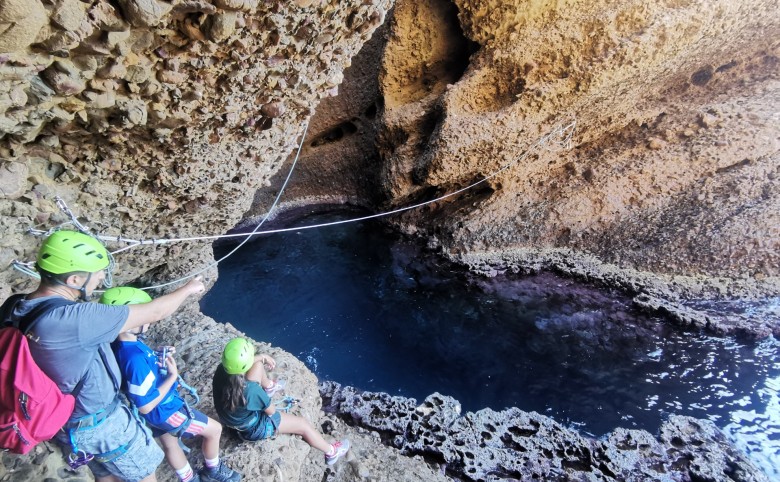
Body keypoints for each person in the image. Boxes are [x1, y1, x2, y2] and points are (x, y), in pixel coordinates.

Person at [13, 229, 205, 482]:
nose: (102, 278)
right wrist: (188, 289)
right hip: (100, 424)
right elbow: (154, 312)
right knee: (146, 474)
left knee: (106, 476)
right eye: (97, 273)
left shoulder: (18, 306)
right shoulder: (74, 320)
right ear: (73, 280)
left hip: (64, 420)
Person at [102, 286, 241, 482]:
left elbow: (140, 379)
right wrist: (171, 377)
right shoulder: (133, 358)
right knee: (214, 429)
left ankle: (189, 479)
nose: (149, 318)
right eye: (143, 315)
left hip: (157, 413)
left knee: (170, 444)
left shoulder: (126, 345)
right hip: (165, 410)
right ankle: (213, 470)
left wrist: (157, 356)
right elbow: (145, 404)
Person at [212, 338, 351, 465]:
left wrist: (261, 357)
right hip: (251, 429)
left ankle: (269, 386)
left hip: (230, 418)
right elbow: (271, 411)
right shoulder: (251, 391)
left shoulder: (221, 370)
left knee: (258, 365)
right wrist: (264, 403)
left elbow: (242, 367)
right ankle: (331, 452)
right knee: (302, 424)